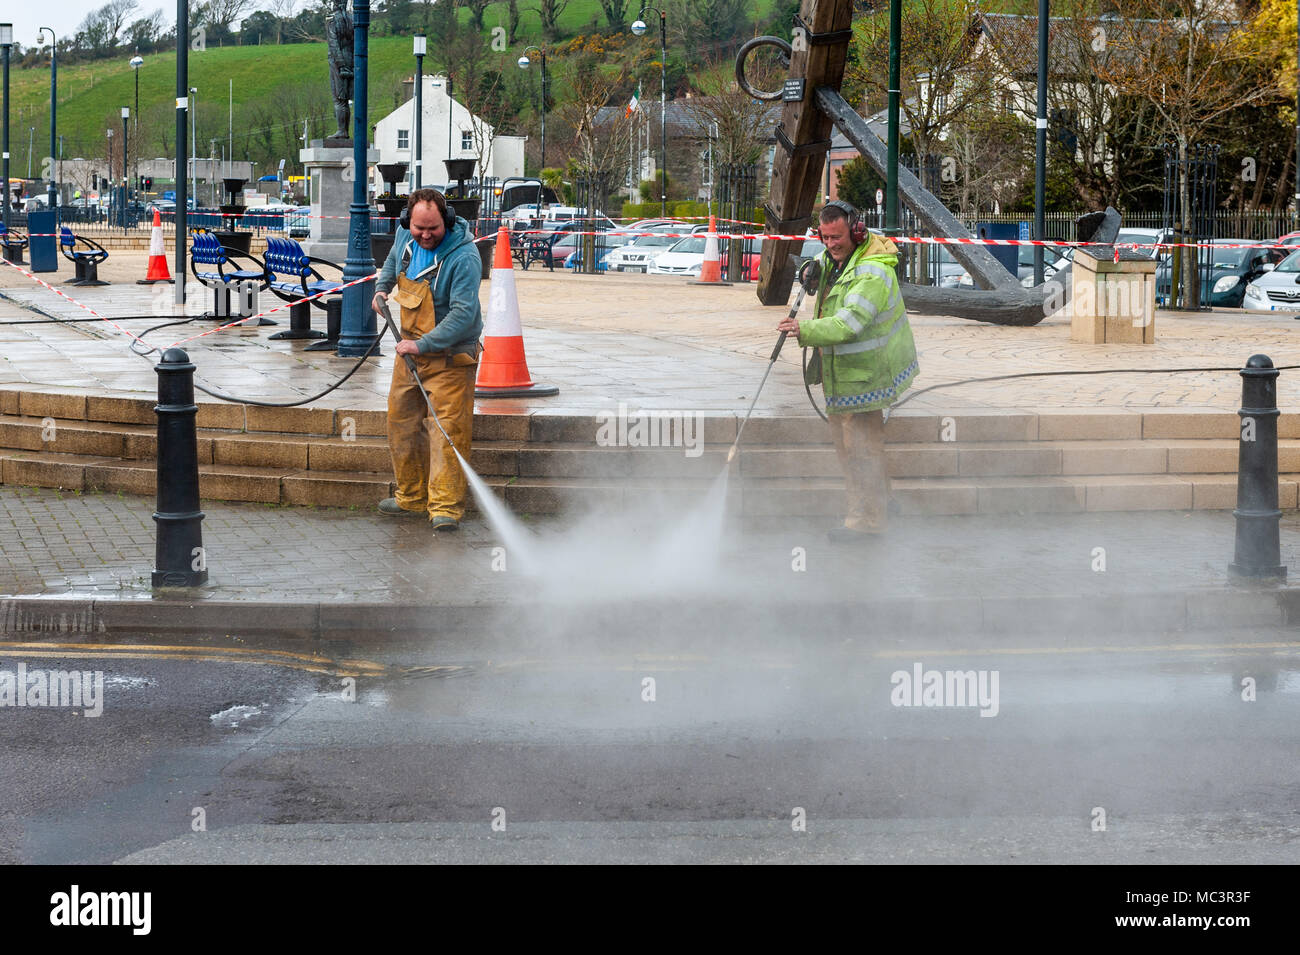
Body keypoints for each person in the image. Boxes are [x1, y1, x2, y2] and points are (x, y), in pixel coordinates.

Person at [777, 200, 919, 543]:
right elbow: (828, 266)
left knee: (857, 449)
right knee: (865, 443)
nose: (830, 245)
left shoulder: (873, 272)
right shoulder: (840, 258)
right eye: (824, 237)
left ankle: (868, 522)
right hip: (848, 373)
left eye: (836, 237)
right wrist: (813, 268)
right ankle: (884, 503)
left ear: (857, 230)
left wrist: (803, 331)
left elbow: (850, 323)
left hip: (866, 373)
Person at [373, 189, 483, 531]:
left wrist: (423, 345)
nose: (424, 235)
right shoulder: (406, 234)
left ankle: (445, 509)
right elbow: (392, 261)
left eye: (432, 228)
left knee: (447, 430)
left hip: (451, 358)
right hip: (411, 353)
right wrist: (381, 287)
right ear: (408, 221)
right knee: (401, 422)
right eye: (419, 228)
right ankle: (411, 498)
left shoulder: (464, 257)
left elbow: (464, 315)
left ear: (446, 220)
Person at [325, 0, 354, 140]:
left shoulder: (333, 20)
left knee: (339, 99)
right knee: (345, 99)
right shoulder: (352, 19)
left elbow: (334, 44)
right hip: (352, 60)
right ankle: (344, 130)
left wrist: (341, 65)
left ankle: (342, 131)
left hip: (338, 63)